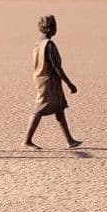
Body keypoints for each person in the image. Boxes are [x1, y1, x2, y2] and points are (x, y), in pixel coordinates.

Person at [24, 14, 82, 149]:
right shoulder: (48, 45)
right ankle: (27, 140)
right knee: (39, 110)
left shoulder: (38, 43)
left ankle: (70, 140)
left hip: (42, 79)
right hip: (48, 81)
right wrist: (69, 84)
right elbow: (57, 66)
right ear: (51, 28)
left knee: (59, 108)